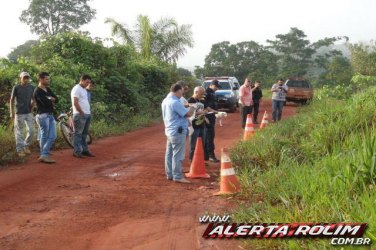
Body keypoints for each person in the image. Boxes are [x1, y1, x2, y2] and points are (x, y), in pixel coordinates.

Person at [161, 83, 195, 183]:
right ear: (178, 90)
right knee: (177, 155)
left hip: (170, 131)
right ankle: (177, 176)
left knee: (169, 153)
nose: (182, 93)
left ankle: (170, 174)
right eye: (182, 91)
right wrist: (193, 106)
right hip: (177, 131)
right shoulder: (175, 102)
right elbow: (188, 114)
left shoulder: (166, 100)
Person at [34, 72, 58, 163]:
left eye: (48, 79)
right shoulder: (37, 91)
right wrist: (50, 99)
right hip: (42, 115)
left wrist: (51, 98)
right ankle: (44, 154)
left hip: (50, 114)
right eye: (46, 79)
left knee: (52, 136)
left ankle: (43, 154)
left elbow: (56, 99)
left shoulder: (47, 89)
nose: (48, 80)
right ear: (40, 79)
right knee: (45, 136)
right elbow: (45, 102)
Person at [9, 72, 35, 157]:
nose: (26, 79)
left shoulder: (32, 87)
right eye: (24, 78)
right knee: (19, 132)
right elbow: (12, 100)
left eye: (27, 78)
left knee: (31, 130)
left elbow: (34, 99)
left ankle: (26, 146)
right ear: (20, 78)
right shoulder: (16, 87)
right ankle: (20, 150)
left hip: (28, 112)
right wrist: (11, 112)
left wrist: (32, 108)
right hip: (19, 112)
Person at [71, 74, 95, 158]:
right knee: (78, 133)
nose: (87, 84)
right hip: (80, 114)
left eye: (89, 82)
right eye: (86, 82)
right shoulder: (76, 88)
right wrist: (81, 112)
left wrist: (87, 112)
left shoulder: (84, 90)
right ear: (82, 80)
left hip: (86, 114)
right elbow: (75, 102)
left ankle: (84, 150)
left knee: (84, 134)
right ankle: (77, 151)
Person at [188, 86, 208, 161]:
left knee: (202, 144)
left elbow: (206, 109)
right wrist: (198, 113)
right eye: (201, 93)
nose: (203, 95)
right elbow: (189, 113)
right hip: (194, 125)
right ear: (196, 92)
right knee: (193, 144)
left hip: (202, 124)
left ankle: (199, 161)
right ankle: (192, 160)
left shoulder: (202, 100)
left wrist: (203, 113)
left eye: (203, 93)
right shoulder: (190, 100)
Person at [204, 79, 221, 162]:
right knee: (209, 136)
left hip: (211, 116)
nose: (217, 88)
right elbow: (205, 105)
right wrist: (214, 111)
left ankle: (207, 155)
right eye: (216, 87)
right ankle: (210, 155)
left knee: (210, 135)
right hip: (207, 117)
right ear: (211, 85)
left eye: (218, 87)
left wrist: (216, 112)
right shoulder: (206, 92)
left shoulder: (212, 92)